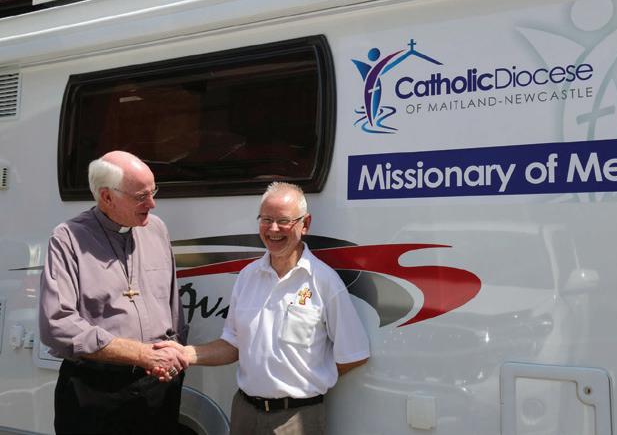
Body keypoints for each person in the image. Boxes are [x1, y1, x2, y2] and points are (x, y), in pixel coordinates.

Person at [154, 181, 370, 435]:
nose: (273, 229)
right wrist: (184, 354)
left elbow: (354, 354)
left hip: (297, 419)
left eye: (283, 221)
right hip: (244, 413)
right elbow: (232, 345)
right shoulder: (248, 276)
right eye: (266, 219)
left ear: (305, 224)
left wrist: (310, 379)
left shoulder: (324, 281)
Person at [39, 150, 189, 435]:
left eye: (153, 191)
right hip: (95, 391)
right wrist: (140, 353)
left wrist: (173, 357)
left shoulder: (157, 229)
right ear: (107, 197)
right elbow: (57, 324)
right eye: (141, 196)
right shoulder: (68, 238)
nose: (152, 203)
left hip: (157, 389)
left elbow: (172, 307)